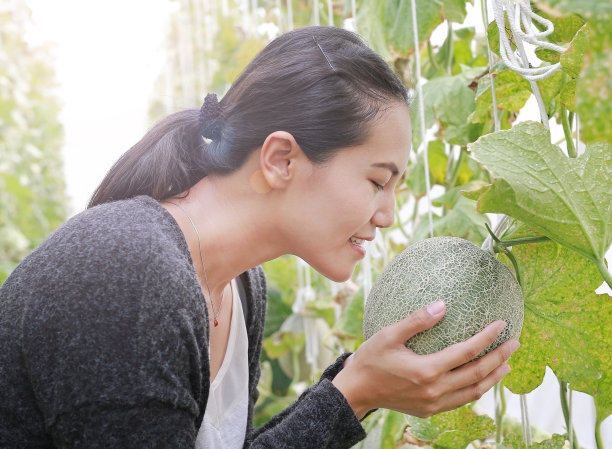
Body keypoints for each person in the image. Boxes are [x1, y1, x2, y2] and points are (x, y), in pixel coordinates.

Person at [0, 26, 519, 448]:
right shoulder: (127, 274)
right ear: (280, 159)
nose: (386, 215)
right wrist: (351, 394)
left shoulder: (242, 285)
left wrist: (357, 385)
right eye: (378, 182)